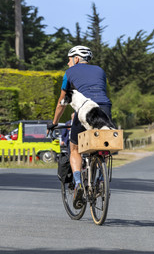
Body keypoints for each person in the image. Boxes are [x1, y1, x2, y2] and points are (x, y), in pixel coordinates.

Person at [47, 45, 112, 209]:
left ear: (76, 59)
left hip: (85, 109)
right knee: (103, 144)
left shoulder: (69, 73)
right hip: (104, 108)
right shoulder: (100, 70)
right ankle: (101, 180)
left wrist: (54, 123)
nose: (68, 63)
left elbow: (62, 102)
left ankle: (78, 184)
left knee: (74, 148)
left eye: (69, 59)